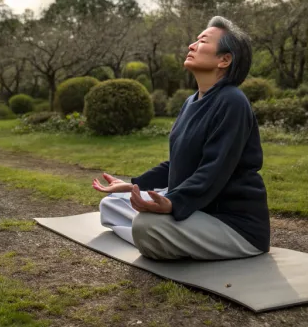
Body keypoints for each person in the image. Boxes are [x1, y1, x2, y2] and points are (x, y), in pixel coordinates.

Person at [94, 16, 270, 261]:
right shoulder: (191, 102)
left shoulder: (232, 102)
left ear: (224, 59)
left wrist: (173, 203)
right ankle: (159, 238)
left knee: (146, 225)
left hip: (233, 225)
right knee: (112, 204)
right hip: (196, 210)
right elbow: (179, 163)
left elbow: (215, 170)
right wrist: (134, 185)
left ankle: (153, 237)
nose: (191, 45)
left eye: (202, 41)